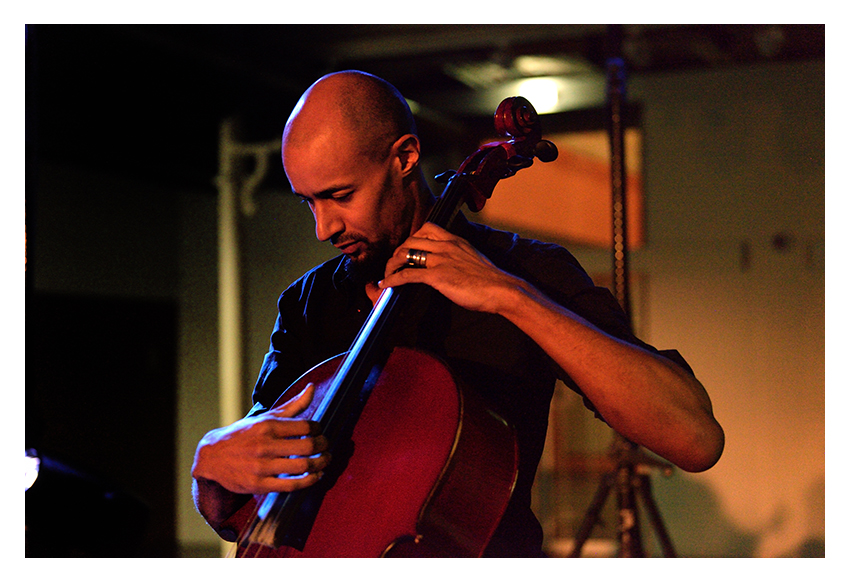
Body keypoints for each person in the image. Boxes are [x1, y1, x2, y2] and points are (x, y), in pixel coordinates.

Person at [192, 70, 724, 557]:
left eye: (340, 195)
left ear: (404, 158)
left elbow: (694, 438)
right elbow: (243, 495)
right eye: (309, 202)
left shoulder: (524, 269)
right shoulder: (310, 302)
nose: (323, 227)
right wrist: (211, 465)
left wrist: (509, 295)